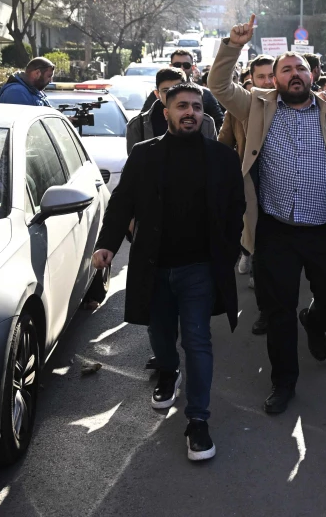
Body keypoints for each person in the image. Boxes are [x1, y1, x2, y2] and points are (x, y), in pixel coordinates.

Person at [207, 33, 326, 415]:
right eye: (286, 69)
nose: (294, 74)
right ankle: (284, 381)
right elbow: (218, 85)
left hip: (325, 228)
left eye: (300, 68)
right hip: (276, 228)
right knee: (279, 311)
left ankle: (314, 321)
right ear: (274, 79)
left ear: (313, 75)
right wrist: (232, 45)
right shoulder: (256, 108)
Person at [92, 82, 245, 462]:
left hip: (200, 269)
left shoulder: (222, 158)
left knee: (197, 340)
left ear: (203, 114)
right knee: (160, 335)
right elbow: (122, 202)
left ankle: (198, 421)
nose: (190, 112)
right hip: (154, 266)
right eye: (182, 106)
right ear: (167, 113)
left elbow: (235, 209)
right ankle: (167, 371)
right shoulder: (145, 155)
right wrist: (107, 244)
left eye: (196, 106)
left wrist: (224, 252)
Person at [128, 68, 217, 153]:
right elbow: (136, 164)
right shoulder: (138, 125)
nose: (171, 95)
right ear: (157, 94)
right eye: (166, 90)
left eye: (176, 89)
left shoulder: (206, 123)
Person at [141, 50, 227, 130]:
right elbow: (143, 121)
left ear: (193, 67)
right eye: (177, 65)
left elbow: (220, 122)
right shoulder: (156, 94)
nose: (182, 68)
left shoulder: (205, 94)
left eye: (186, 65)